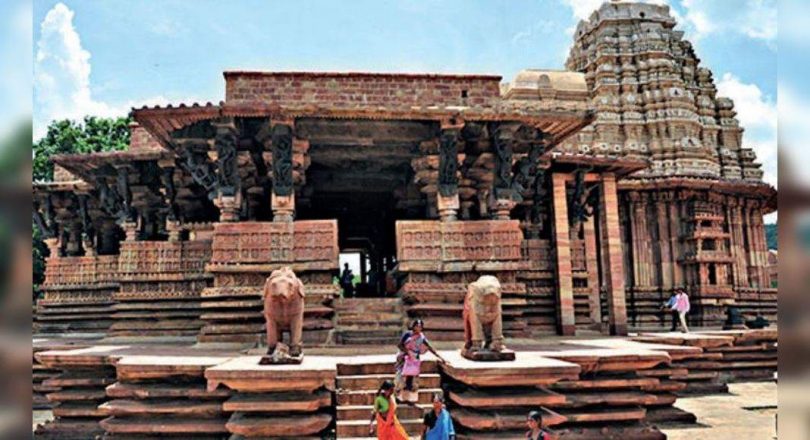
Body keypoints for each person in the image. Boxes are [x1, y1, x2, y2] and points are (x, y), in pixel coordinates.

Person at [395, 319, 446, 404]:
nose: (418, 328)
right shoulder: (407, 334)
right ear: (413, 326)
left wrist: (440, 357)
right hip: (404, 358)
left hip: (414, 360)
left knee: (412, 380)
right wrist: (408, 352)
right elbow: (400, 345)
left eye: (420, 326)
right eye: (417, 326)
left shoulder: (421, 337)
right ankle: (399, 398)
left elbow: (429, 347)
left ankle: (410, 399)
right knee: (400, 378)